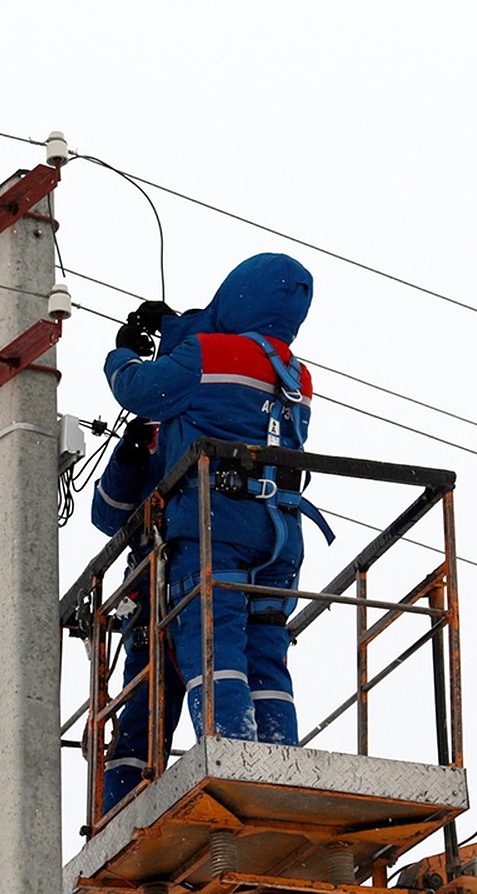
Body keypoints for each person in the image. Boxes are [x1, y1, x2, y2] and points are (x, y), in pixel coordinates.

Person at [104, 253, 326, 746]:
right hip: (281, 532)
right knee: (265, 648)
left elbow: (139, 390)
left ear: (235, 292)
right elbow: (227, 363)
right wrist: (174, 325)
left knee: (213, 639)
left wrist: (122, 354)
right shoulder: (296, 375)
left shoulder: (207, 355)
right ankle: (276, 754)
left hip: (215, 525)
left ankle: (232, 748)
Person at [90, 415, 184, 812]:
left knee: (206, 684)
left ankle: (234, 763)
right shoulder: (153, 440)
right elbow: (107, 516)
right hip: (154, 581)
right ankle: (125, 803)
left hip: (201, 571)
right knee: (149, 699)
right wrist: (127, 455)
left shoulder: (206, 423)